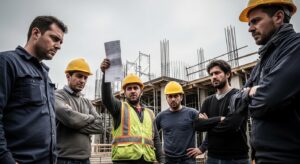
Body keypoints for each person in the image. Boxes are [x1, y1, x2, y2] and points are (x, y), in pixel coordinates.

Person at [238, 0, 300, 163]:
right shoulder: (263, 60)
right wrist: (252, 93)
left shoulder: (296, 47)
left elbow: (267, 100)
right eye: (249, 23)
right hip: (262, 157)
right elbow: (236, 104)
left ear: (278, 17)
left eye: (256, 21)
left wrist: (249, 93)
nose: (250, 28)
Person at [0, 16, 67, 163]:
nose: (59, 46)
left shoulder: (46, 76)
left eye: (61, 42)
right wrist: (5, 159)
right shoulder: (7, 62)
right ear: (36, 33)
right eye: (55, 38)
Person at [100, 59, 164, 164]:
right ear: (124, 93)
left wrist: (162, 160)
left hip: (147, 160)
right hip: (124, 160)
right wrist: (106, 75)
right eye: (129, 89)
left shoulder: (150, 113)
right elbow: (106, 98)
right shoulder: (119, 108)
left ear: (141, 91)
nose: (133, 91)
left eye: (135, 88)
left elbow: (156, 139)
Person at [193, 60, 249, 164]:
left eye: (217, 73)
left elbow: (231, 126)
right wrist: (219, 119)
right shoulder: (208, 101)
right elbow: (197, 125)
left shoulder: (239, 96)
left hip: (237, 159)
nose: (214, 76)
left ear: (228, 74)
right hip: (212, 157)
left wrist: (208, 123)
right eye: (211, 74)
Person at [55, 58, 104, 164]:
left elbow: (100, 126)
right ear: (68, 76)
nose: (83, 80)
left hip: (86, 160)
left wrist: (74, 125)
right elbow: (71, 120)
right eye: (79, 76)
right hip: (63, 159)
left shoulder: (87, 102)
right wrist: (91, 118)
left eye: (85, 78)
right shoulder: (57, 96)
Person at [155, 81, 201, 164]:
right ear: (166, 98)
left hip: (188, 160)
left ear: (181, 97)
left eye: (176, 96)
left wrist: (202, 148)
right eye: (170, 96)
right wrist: (158, 153)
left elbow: (210, 128)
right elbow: (152, 135)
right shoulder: (161, 116)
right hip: (168, 160)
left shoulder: (192, 113)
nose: (173, 99)